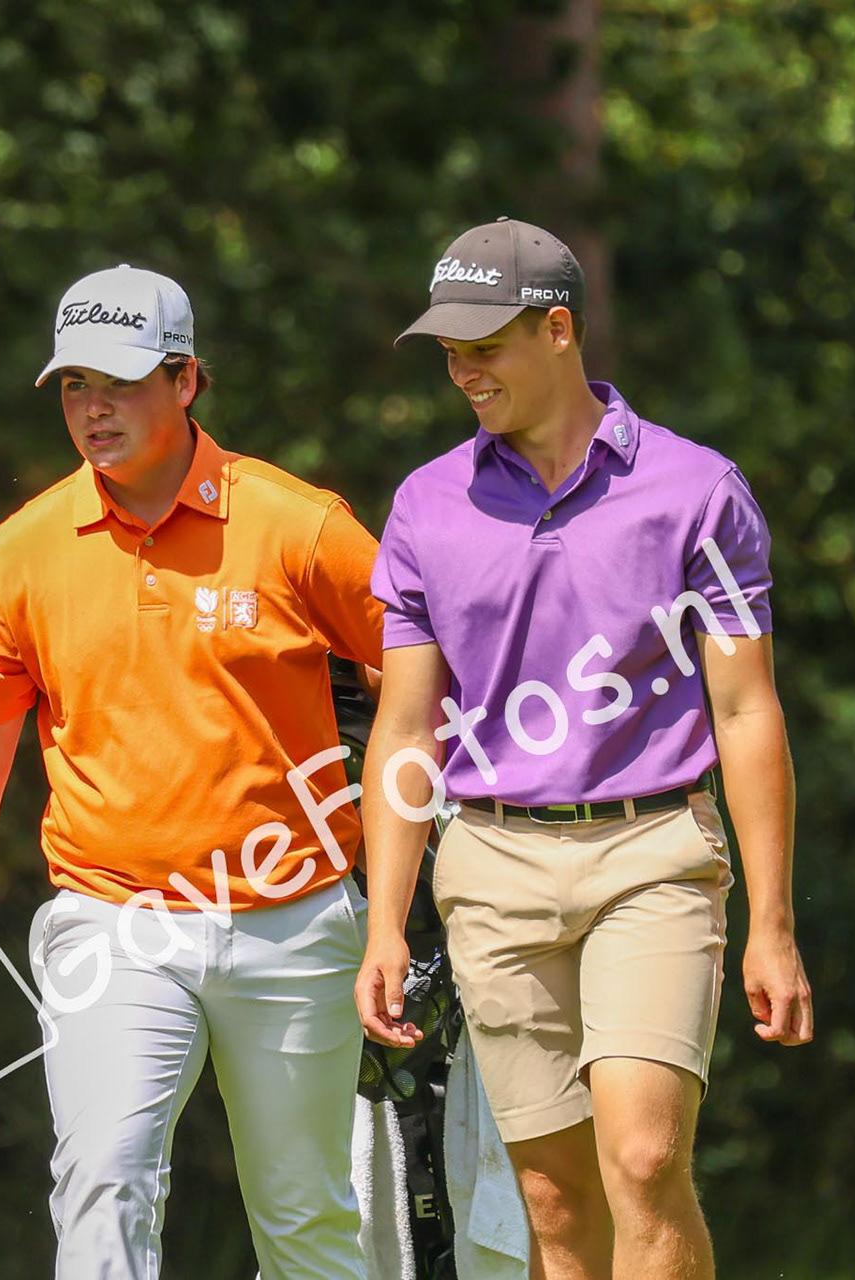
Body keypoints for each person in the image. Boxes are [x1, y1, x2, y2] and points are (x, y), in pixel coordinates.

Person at [356, 218, 814, 1279]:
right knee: (556, 1203)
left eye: (486, 346)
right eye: (449, 352)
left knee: (646, 1157)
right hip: (490, 864)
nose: (463, 371)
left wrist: (772, 923)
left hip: (652, 849)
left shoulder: (699, 492)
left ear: (559, 328)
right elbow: (408, 728)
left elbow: (746, 710)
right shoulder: (426, 506)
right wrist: (387, 918)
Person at [0, 264, 385, 1278]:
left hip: (295, 915)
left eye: (120, 382)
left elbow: (423, 680)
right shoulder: (26, 547)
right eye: (75, 385)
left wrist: (399, 883)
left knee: (304, 1215)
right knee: (105, 1174)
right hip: (113, 922)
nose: (94, 409)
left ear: (186, 380)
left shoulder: (300, 525)